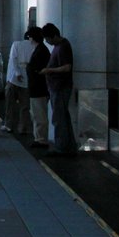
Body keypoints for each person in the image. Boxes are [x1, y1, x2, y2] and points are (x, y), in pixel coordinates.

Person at [40, 23, 76, 155]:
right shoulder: (59, 46)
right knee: (63, 118)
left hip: (60, 87)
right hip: (58, 87)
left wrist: (49, 70)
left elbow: (67, 67)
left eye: (48, 39)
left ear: (54, 36)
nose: (47, 42)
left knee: (58, 118)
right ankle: (69, 146)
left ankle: (60, 147)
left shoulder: (63, 47)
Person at [2, 29, 35, 134]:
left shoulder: (16, 44)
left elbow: (13, 58)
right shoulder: (34, 47)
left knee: (9, 103)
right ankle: (22, 127)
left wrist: (17, 73)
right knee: (25, 106)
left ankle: (8, 125)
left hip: (13, 79)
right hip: (27, 80)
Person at [26, 26, 50, 148]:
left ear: (33, 37)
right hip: (37, 88)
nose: (29, 39)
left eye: (29, 37)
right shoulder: (40, 50)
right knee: (36, 113)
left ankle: (41, 139)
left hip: (39, 88)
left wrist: (31, 69)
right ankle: (39, 138)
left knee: (39, 114)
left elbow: (39, 69)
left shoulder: (41, 51)